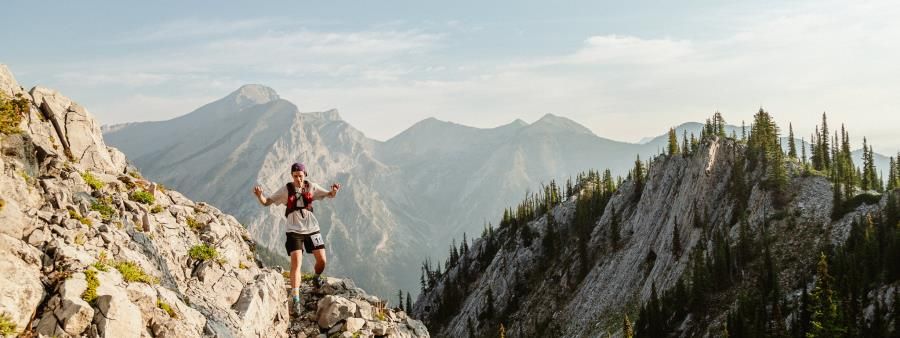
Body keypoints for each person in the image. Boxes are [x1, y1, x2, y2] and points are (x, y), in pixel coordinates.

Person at [252, 162, 340, 317]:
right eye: (295, 176)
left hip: (312, 228)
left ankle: (316, 278)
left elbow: (329, 195)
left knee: (322, 261)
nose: (298, 179)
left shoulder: (312, 187)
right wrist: (260, 196)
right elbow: (267, 203)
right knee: (296, 263)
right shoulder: (286, 190)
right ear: (292, 176)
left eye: (300, 176)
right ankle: (296, 299)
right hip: (293, 230)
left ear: (305, 175)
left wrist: (333, 191)